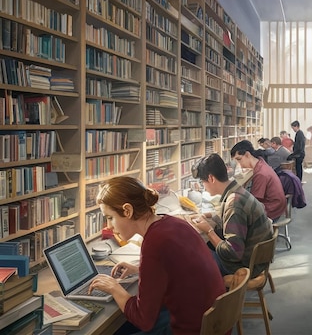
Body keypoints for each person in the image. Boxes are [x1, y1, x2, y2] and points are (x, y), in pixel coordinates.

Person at [88, 176, 225, 334]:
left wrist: (114, 288)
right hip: (212, 321)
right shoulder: (174, 222)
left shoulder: (154, 243)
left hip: (191, 329)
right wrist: (141, 270)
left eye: (110, 218)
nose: (109, 226)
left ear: (127, 211)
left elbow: (143, 320)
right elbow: (177, 269)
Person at [191, 154, 274, 277]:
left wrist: (208, 231)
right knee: (205, 244)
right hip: (256, 259)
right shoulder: (237, 191)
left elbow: (233, 253)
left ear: (211, 178)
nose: (203, 186)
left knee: (195, 255)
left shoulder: (234, 202)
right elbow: (236, 217)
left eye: (203, 182)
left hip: (244, 267)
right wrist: (210, 215)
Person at [231, 140, 287, 221]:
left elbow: (254, 201)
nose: (239, 164)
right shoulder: (260, 162)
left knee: (237, 215)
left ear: (247, 155)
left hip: (272, 209)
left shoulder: (261, 173)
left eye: (239, 159)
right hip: (277, 205)